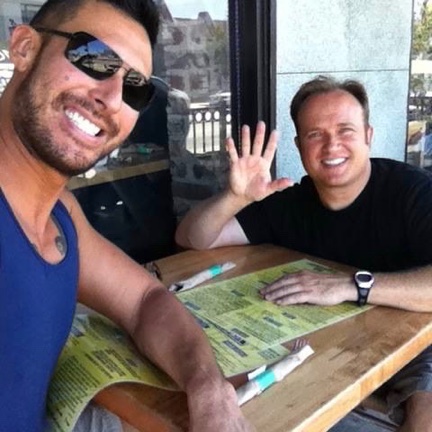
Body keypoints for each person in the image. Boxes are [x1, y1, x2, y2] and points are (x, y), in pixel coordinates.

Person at [0, 1, 253, 431]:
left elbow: (144, 301)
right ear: (25, 48)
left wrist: (210, 388)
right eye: (94, 59)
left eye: (136, 87)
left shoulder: (61, 217)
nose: (113, 98)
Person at [175, 75, 432, 431]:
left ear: (368, 136)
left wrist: (351, 286)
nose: (331, 146)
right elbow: (194, 237)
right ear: (299, 146)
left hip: (419, 334)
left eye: (345, 131)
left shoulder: (411, 192)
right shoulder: (291, 202)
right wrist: (235, 197)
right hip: (335, 349)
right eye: (315, 135)